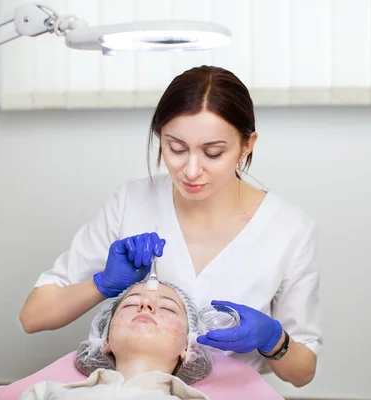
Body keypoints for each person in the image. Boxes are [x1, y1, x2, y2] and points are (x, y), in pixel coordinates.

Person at [19, 65, 322, 388]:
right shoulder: (132, 201)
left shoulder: (289, 229)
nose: (191, 170)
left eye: (213, 152)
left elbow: (302, 373)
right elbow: (33, 316)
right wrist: (103, 284)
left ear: (247, 145)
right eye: (176, 148)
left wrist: (274, 340)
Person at [18, 280, 212, 399]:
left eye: (168, 308)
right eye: (130, 303)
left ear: (188, 347)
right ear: (105, 340)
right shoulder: (46, 394)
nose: (145, 304)